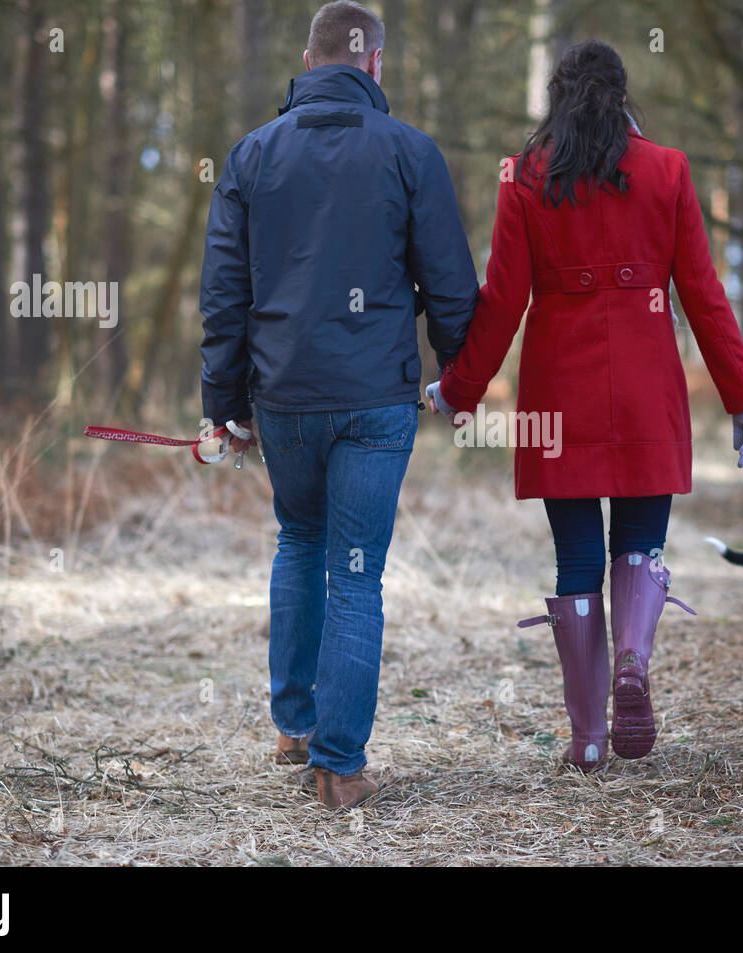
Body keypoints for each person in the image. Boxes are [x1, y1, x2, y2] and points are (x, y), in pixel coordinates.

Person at [426, 41, 743, 771]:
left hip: (560, 402)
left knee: (576, 557)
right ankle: (632, 662)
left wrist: (458, 391)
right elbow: (703, 293)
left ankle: (587, 737)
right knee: (638, 547)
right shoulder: (666, 170)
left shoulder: (524, 176)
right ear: (622, 94)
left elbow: (502, 300)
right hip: (646, 395)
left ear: (557, 96)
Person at [200, 0, 478, 808]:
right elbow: (452, 286)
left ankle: (294, 726)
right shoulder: (408, 152)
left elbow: (225, 298)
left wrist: (225, 405)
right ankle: (340, 767)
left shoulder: (252, 156)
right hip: (374, 400)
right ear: (374, 64)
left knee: (300, 540)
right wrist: (459, 379)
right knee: (356, 572)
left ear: (309, 61)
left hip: (283, 394)